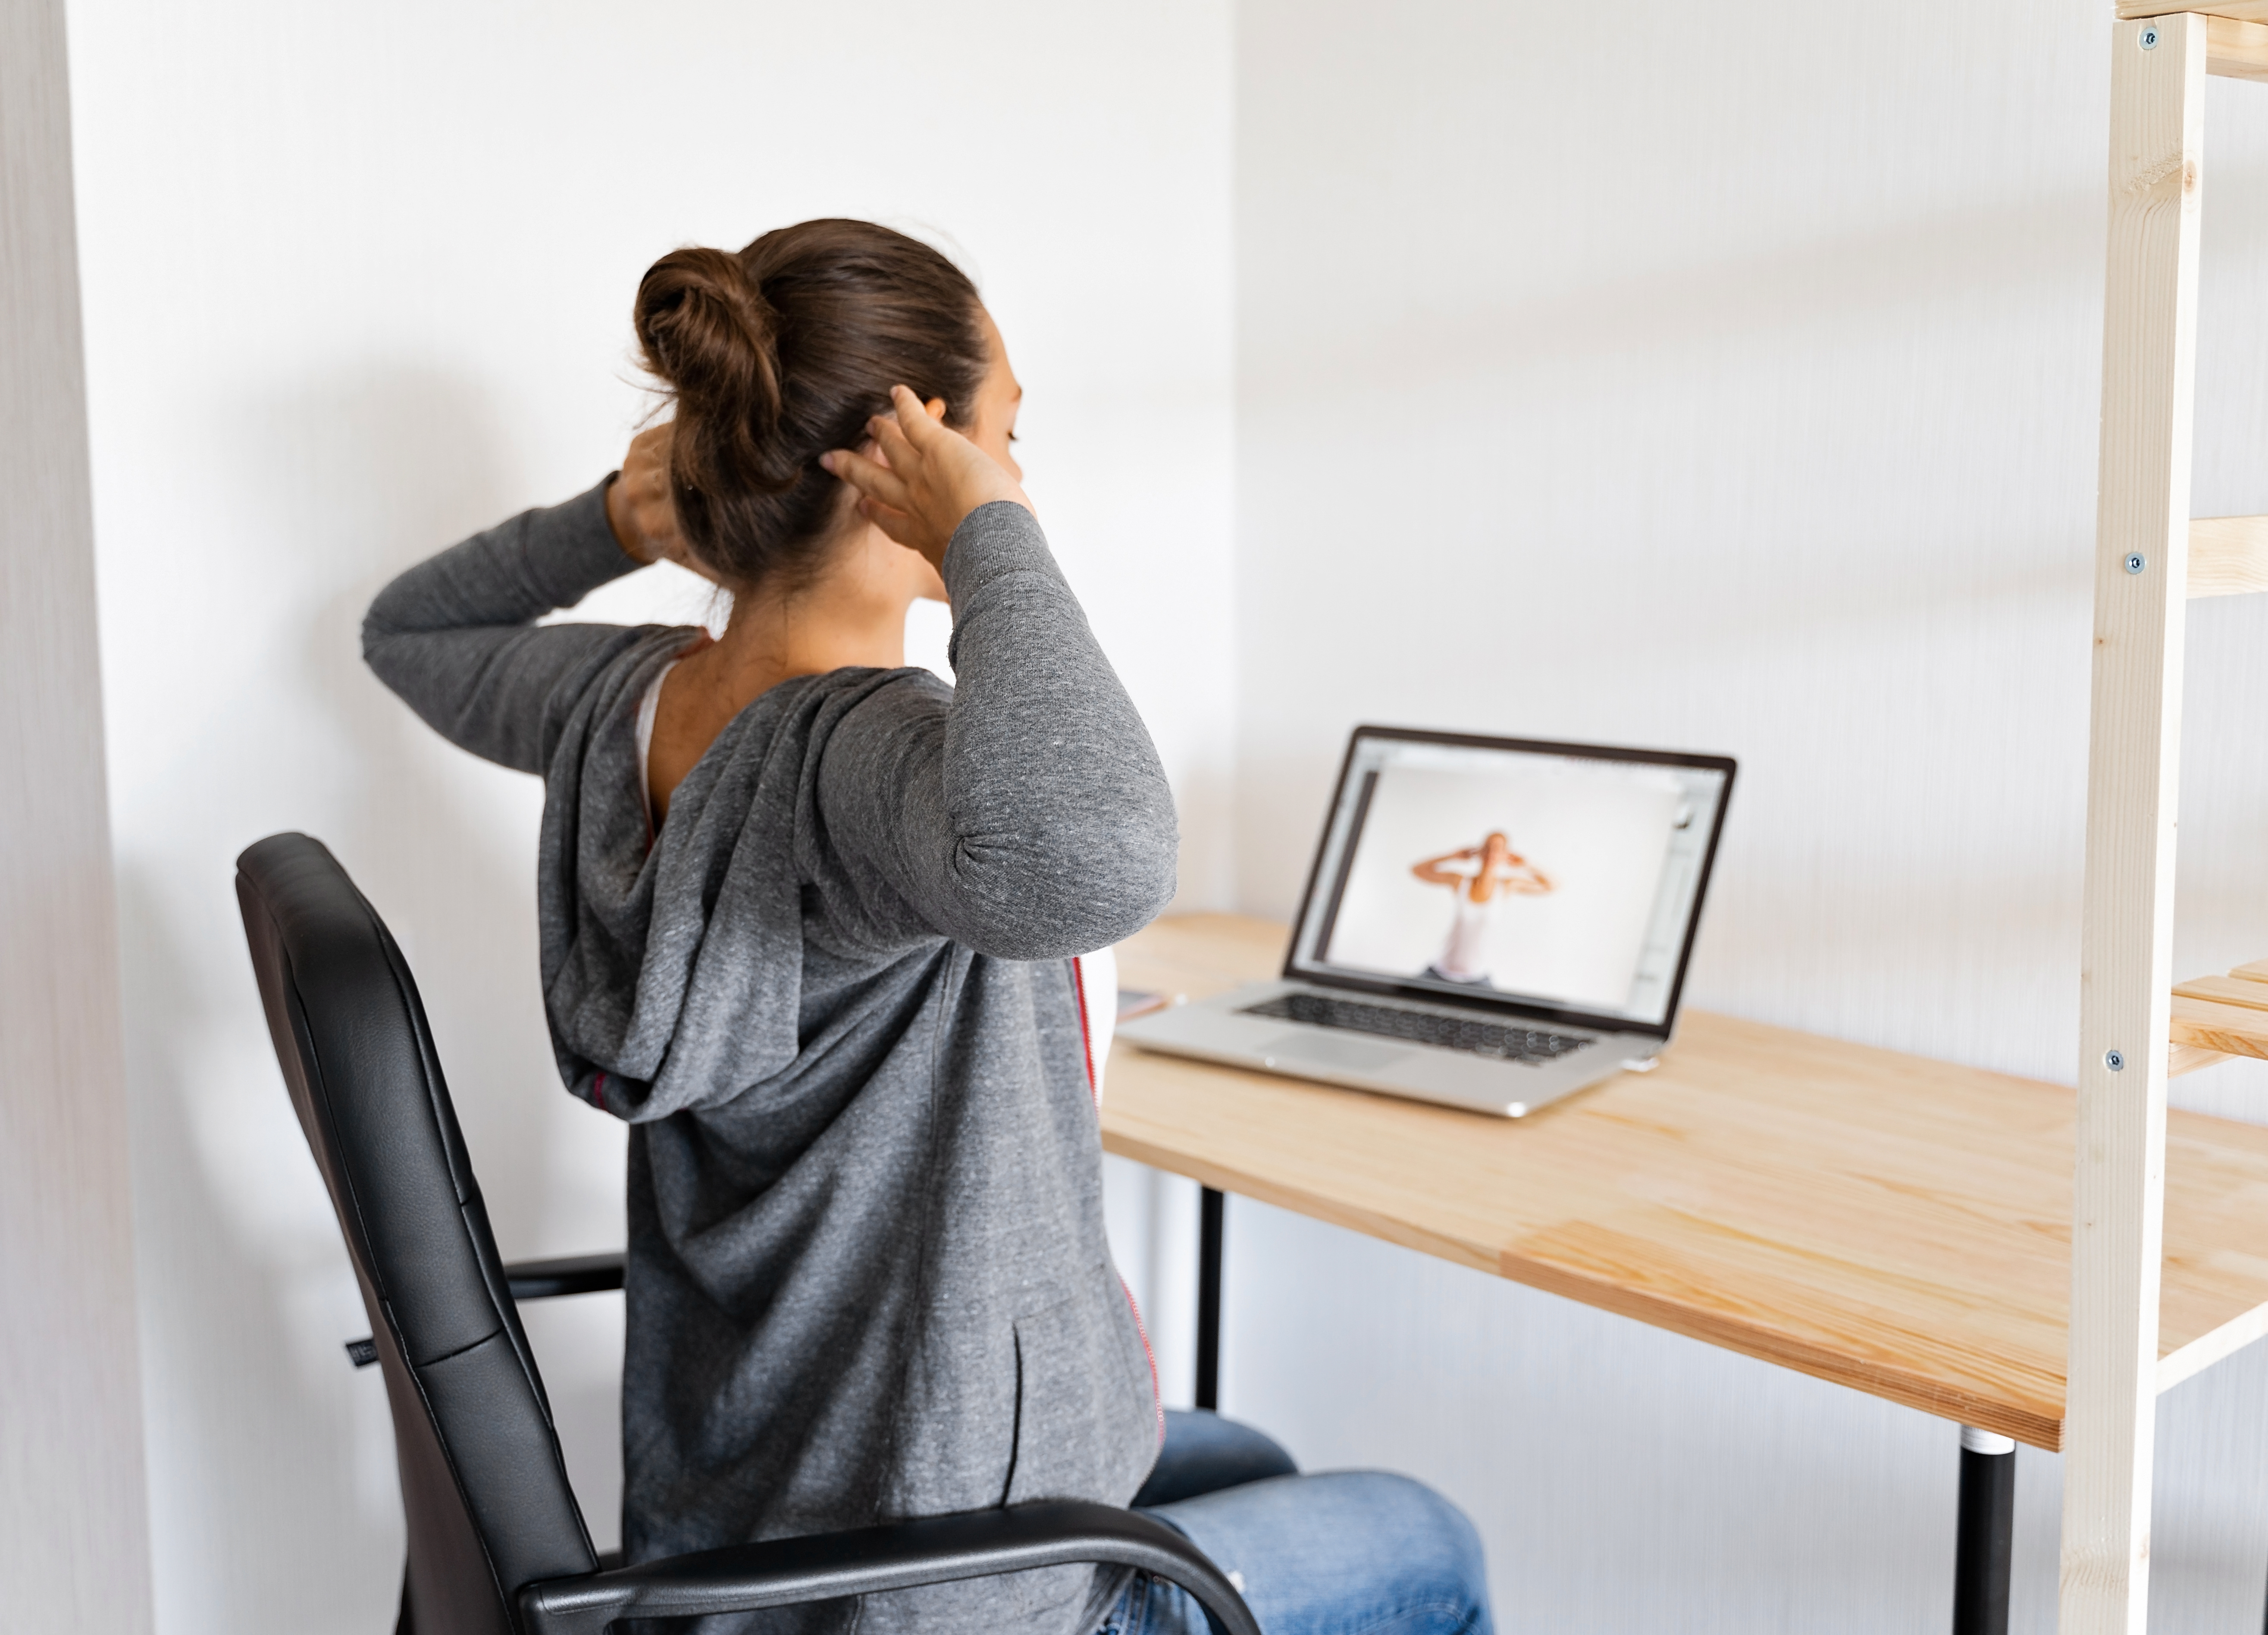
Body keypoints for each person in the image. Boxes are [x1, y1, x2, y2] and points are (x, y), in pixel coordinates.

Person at [363, 218, 1492, 1635]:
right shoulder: (870, 763)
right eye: (1003, 439)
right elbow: (1097, 857)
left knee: (1245, 1460)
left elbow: (409, 634)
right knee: (1427, 1541)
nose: (1018, 475)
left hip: (753, 1497)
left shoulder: (626, 708)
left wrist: (609, 522)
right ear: (910, 465)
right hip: (939, 1573)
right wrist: (985, 539)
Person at [1410, 833, 1553, 986]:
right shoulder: (1460, 881)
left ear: (1506, 855)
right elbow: (1418, 870)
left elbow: (1551, 886)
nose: (1491, 852)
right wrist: (1451, 856)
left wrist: (1527, 865)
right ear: (1479, 851)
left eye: (1498, 849)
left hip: (1477, 979)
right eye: (1487, 847)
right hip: (1439, 973)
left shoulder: (1507, 886)